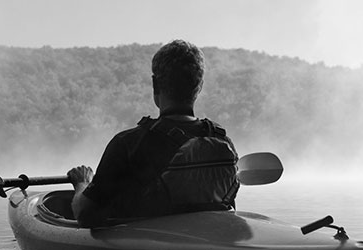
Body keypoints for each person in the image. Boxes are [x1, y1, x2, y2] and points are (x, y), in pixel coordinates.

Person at [68, 40, 239, 228]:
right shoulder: (222, 141)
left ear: (155, 84)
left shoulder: (128, 144)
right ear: (199, 86)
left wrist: (82, 184)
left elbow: (84, 214)